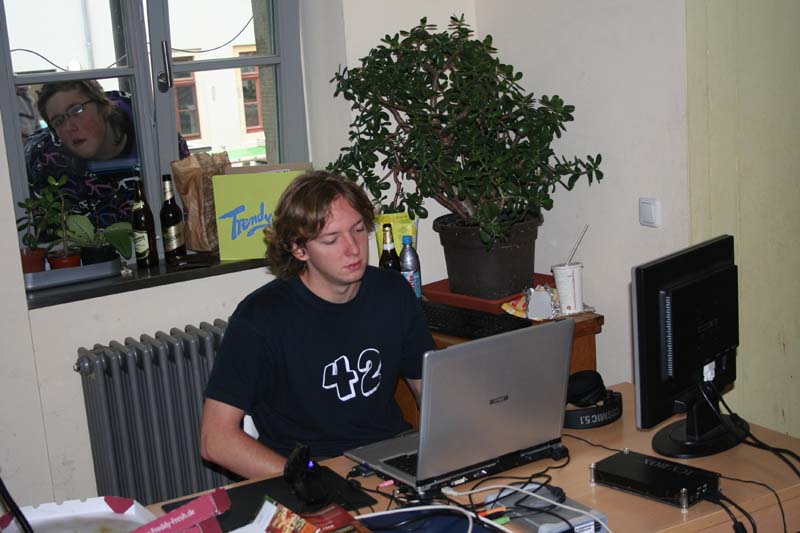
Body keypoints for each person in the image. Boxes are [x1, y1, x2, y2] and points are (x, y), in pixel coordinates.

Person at [200, 171, 435, 479]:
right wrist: (312, 481)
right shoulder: (260, 317)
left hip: (390, 455)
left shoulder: (393, 291)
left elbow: (430, 390)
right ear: (299, 249)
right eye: (332, 239)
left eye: (358, 230)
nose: (353, 249)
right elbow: (215, 441)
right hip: (311, 468)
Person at [24, 80, 189, 228]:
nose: (69, 126)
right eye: (58, 121)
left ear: (104, 108)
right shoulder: (43, 161)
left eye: (76, 110)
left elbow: (189, 208)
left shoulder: (158, 137)